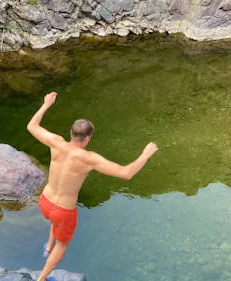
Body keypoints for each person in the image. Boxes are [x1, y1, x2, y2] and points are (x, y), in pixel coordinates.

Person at [27, 91, 158, 281]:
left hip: (45, 202)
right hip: (63, 211)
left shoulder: (55, 142)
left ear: (71, 133)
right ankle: (41, 279)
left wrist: (46, 104)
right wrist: (145, 155)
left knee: (54, 220)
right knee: (62, 245)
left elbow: (32, 125)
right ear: (88, 138)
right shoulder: (89, 159)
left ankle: (47, 247)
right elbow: (126, 173)